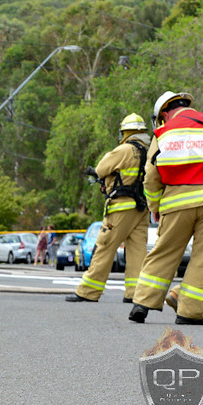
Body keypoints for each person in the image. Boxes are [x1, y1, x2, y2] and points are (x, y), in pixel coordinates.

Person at [129, 91, 203, 325]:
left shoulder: (163, 132)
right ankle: (190, 313)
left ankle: (142, 304)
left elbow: (151, 176)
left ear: (164, 114)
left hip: (177, 204)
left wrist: (155, 205)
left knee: (164, 252)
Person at [67, 113, 151, 303]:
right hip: (142, 210)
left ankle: (88, 291)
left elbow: (101, 169)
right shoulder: (149, 151)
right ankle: (134, 293)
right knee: (138, 252)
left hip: (120, 208)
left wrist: (105, 180)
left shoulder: (124, 150)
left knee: (104, 247)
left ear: (125, 132)